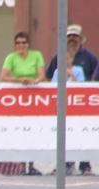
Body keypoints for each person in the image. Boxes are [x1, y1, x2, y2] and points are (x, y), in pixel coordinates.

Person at [45, 24, 97, 175]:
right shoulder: (58, 56)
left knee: (83, 133)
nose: (72, 39)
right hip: (62, 105)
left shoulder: (89, 57)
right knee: (64, 133)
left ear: (81, 39)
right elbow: (49, 76)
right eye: (69, 36)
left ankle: (85, 166)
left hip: (83, 103)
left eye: (75, 36)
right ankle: (65, 164)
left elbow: (95, 75)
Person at [0, 31, 45, 175]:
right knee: (19, 129)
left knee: (32, 129)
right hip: (17, 97)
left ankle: (31, 164)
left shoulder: (36, 55)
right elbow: (3, 76)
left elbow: (41, 75)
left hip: (34, 96)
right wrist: (19, 80)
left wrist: (34, 81)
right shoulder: (11, 57)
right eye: (18, 43)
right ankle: (20, 165)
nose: (21, 45)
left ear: (28, 44)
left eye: (24, 42)